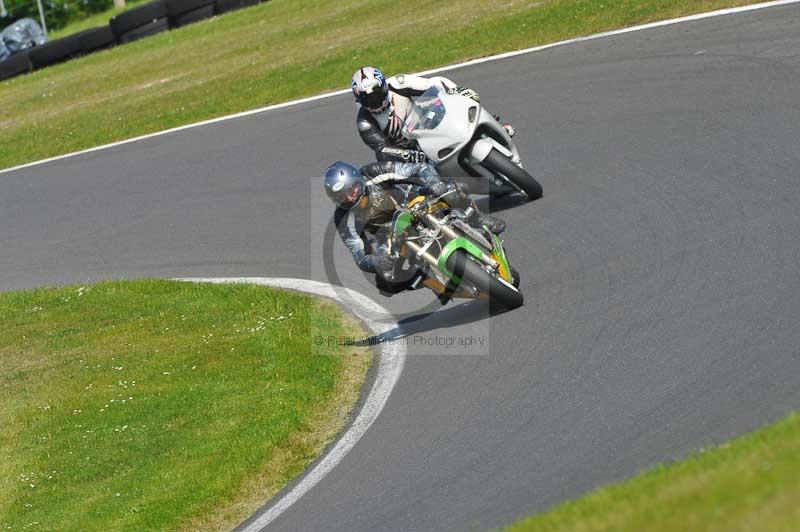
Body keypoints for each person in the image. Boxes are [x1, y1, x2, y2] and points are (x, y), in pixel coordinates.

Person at [324, 160, 505, 298]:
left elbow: (417, 169)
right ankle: (429, 280)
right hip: (390, 236)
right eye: (342, 197)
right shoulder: (343, 218)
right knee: (386, 282)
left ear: (358, 181)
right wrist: (378, 261)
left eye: (352, 190)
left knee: (454, 190)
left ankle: (478, 219)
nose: (350, 198)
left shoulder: (373, 173)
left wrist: (433, 182)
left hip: (412, 203)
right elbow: (360, 255)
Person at [351, 66, 515, 164]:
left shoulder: (398, 83)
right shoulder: (364, 121)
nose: (374, 101)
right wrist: (408, 155)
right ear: (359, 100)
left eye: (377, 94)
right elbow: (382, 150)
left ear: (384, 87)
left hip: (426, 123)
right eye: (368, 99)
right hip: (411, 153)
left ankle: (495, 127)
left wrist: (457, 92)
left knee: (463, 102)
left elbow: (434, 83)